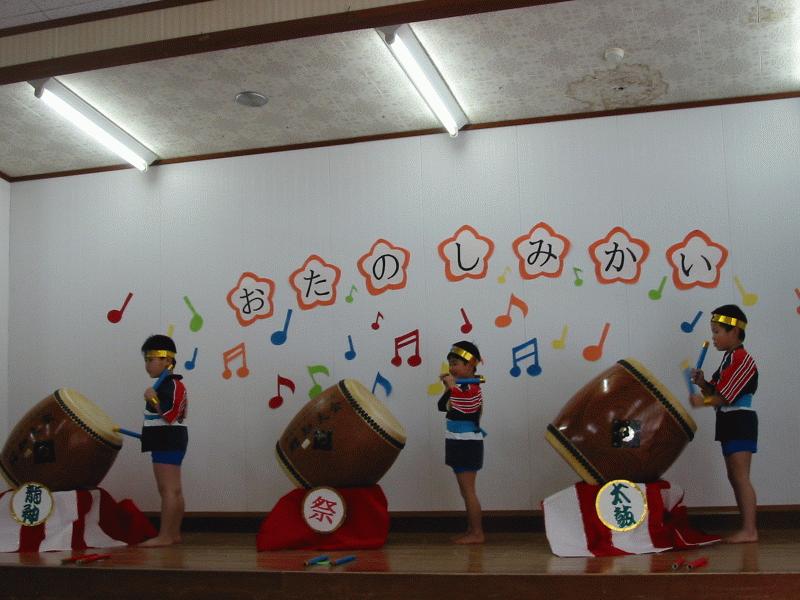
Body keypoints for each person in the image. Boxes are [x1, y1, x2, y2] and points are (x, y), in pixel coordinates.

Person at [690, 305, 758, 544]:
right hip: (729, 420)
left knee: (741, 476)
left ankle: (750, 530)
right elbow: (716, 391)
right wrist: (702, 383)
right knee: (734, 476)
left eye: (717, 331)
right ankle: (746, 528)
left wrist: (702, 401)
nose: (713, 337)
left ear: (734, 332)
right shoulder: (728, 359)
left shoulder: (742, 360)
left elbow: (726, 397)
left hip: (740, 420)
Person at [139, 334, 188, 547]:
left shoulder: (173, 386)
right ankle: (173, 534)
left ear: (167, 360)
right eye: (146, 360)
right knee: (173, 489)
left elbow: (171, 415)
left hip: (168, 440)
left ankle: (166, 535)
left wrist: (153, 398)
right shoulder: (167, 385)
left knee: (168, 490)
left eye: (151, 359)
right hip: (165, 439)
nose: (147, 365)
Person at [437, 341, 485, 544]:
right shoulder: (462, 386)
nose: (452, 368)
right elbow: (443, 406)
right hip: (457, 440)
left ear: (470, 365)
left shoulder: (472, 388)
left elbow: (466, 406)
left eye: (456, 363)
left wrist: (451, 387)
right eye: (450, 364)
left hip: (467, 442)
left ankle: (477, 533)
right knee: (464, 492)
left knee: (469, 491)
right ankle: (471, 530)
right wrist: (448, 388)